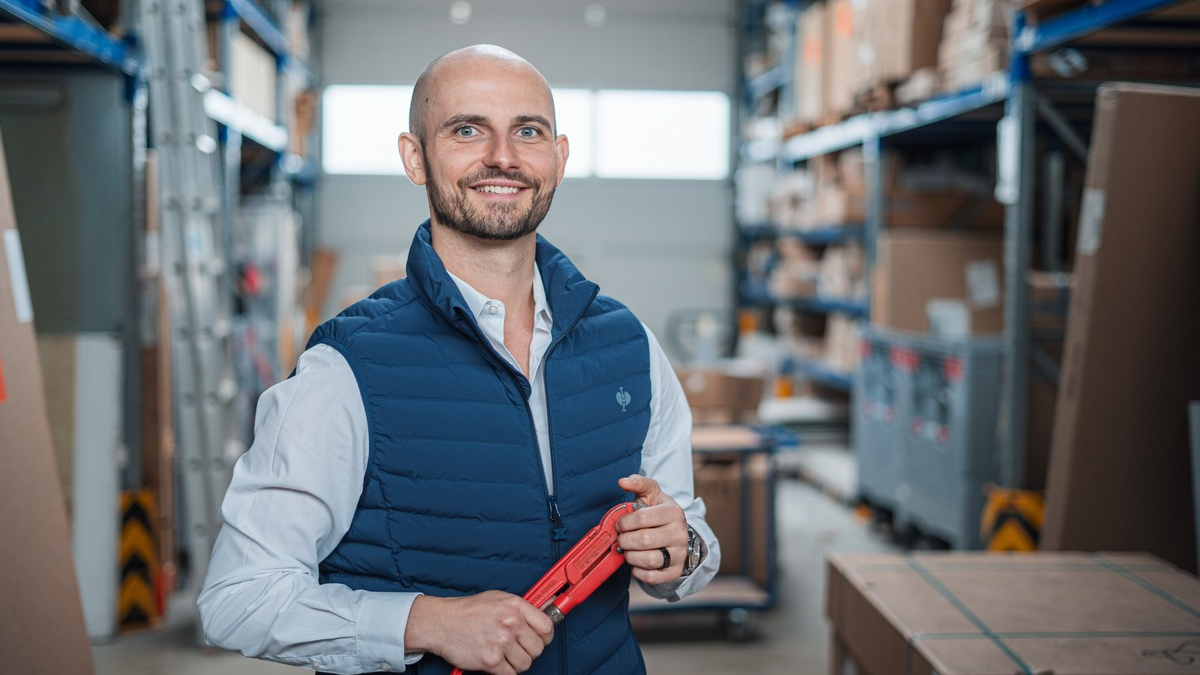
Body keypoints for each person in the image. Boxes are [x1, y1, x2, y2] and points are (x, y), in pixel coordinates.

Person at [198, 43, 720, 675]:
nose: (503, 157)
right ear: (415, 158)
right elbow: (238, 597)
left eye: (527, 131)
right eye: (468, 130)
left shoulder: (629, 345)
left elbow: (688, 537)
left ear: (558, 158)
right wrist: (425, 622)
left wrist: (678, 551)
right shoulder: (346, 369)